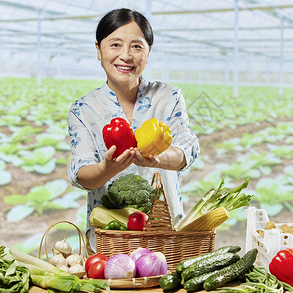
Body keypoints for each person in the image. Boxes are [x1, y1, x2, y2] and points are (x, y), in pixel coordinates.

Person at [67, 8, 200, 253]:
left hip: (166, 235)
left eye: (137, 47)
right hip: (109, 238)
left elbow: (187, 148)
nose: (125, 56)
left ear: (149, 52)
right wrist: (107, 169)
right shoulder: (83, 109)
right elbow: (81, 171)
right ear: (99, 50)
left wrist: (158, 159)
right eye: (115, 45)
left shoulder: (168, 96)